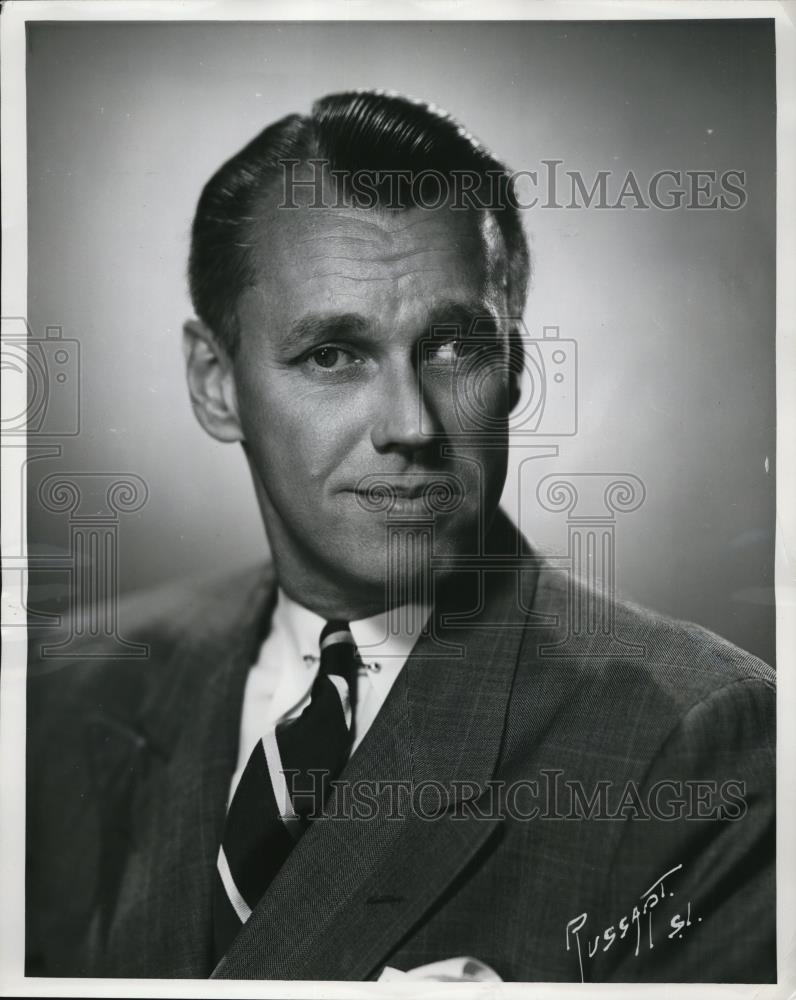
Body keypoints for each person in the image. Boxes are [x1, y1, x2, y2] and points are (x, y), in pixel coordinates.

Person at [25, 89, 775, 983]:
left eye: (456, 347)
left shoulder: (698, 742)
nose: (412, 424)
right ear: (215, 382)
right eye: (333, 356)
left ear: (516, 367)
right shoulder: (62, 693)